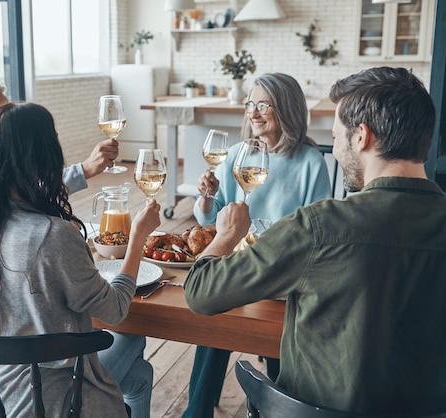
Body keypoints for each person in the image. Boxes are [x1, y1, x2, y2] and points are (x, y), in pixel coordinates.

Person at [184, 66, 446, 415]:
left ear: (361, 137)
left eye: (337, 138)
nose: (335, 151)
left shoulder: (319, 227)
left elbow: (201, 290)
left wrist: (228, 235)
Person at [0, 102, 161, 417]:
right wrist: (137, 237)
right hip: (58, 402)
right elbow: (115, 309)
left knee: (138, 376)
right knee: (133, 336)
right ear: (44, 156)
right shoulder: (53, 235)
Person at [182, 73, 331, 418]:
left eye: (264, 104)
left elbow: (318, 231)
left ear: (287, 109)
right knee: (214, 319)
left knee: (279, 335)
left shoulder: (309, 162)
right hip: (239, 267)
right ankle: (196, 411)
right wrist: (206, 196)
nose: (254, 111)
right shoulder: (236, 154)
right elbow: (211, 222)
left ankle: (283, 405)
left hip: (284, 273)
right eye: (250, 103)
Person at [0, 79, 118, 309]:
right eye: (0, 117)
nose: (9, 124)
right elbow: (10, 200)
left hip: (4, 280)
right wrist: (84, 170)